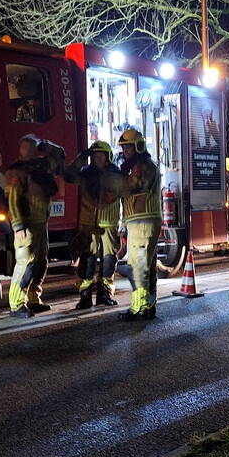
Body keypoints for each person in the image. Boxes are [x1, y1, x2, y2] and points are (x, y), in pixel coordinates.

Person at [4, 135, 64, 317]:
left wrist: (46, 144)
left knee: (40, 263)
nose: (29, 152)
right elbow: (11, 201)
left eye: (32, 148)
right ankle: (16, 304)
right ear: (20, 151)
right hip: (27, 226)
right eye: (25, 149)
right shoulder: (16, 172)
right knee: (25, 265)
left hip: (41, 223)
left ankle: (33, 298)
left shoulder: (41, 166)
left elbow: (61, 154)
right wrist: (17, 225)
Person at [64, 140, 122, 309]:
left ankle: (105, 294)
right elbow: (68, 175)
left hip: (109, 224)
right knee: (87, 260)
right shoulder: (85, 174)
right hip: (88, 224)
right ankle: (85, 296)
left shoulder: (116, 174)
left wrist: (125, 222)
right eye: (94, 156)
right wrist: (82, 157)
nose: (97, 159)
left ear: (108, 157)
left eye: (101, 156)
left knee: (109, 260)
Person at [115, 128, 163, 321]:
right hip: (144, 221)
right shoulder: (142, 165)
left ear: (139, 147)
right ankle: (149, 305)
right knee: (149, 266)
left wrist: (115, 179)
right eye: (123, 148)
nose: (125, 152)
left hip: (142, 221)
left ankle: (138, 307)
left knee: (137, 265)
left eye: (128, 148)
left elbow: (132, 187)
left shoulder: (141, 167)